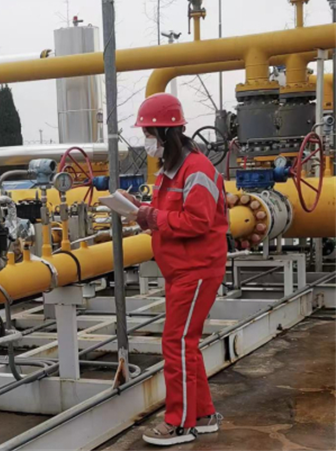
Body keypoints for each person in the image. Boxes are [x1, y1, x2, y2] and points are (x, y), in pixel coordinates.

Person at [124, 93, 228, 446]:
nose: (146, 141)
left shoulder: (196, 170)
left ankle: (179, 423)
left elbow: (197, 221)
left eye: (148, 133)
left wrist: (152, 217)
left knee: (176, 342)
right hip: (181, 269)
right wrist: (139, 209)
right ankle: (203, 414)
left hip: (196, 268)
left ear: (165, 133)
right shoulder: (172, 169)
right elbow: (167, 212)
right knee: (186, 343)